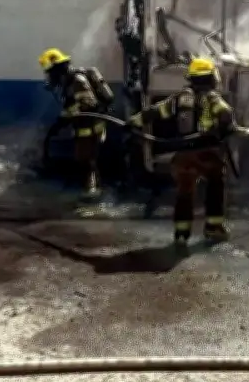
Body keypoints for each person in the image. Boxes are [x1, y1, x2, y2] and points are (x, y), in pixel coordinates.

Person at [127, 57, 235, 246]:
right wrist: (226, 128)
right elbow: (225, 113)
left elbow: (155, 111)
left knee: (185, 192)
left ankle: (181, 232)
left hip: (183, 155)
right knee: (216, 184)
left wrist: (133, 122)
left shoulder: (180, 98)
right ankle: (213, 227)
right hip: (207, 153)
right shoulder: (212, 97)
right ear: (211, 77)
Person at [39, 48, 112, 199]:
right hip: (85, 127)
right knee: (87, 161)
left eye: (50, 72)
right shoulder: (69, 81)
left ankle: (92, 194)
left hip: (90, 128)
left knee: (87, 162)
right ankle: (93, 190)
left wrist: (63, 119)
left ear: (57, 69)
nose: (49, 76)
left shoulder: (78, 81)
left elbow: (87, 104)